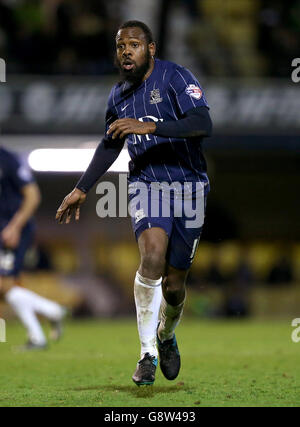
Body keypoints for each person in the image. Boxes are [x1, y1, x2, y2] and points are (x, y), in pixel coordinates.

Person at [56, 20, 212, 385]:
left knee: (174, 287)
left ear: (151, 49)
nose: (126, 51)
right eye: (120, 45)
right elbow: (111, 143)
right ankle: (146, 354)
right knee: (151, 257)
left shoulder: (175, 78)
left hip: (190, 188)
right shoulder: (118, 96)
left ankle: (166, 335)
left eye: (134, 45)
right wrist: (82, 187)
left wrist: (151, 127)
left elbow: (203, 121)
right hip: (147, 185)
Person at [0, 147, 66, 350]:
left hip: (12, 231)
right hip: (4, 230)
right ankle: (39, 333)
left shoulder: (7, 159)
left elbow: (33, 195)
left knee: (4, 285)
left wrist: (14, 227)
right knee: (7, 288)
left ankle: (51, 311)